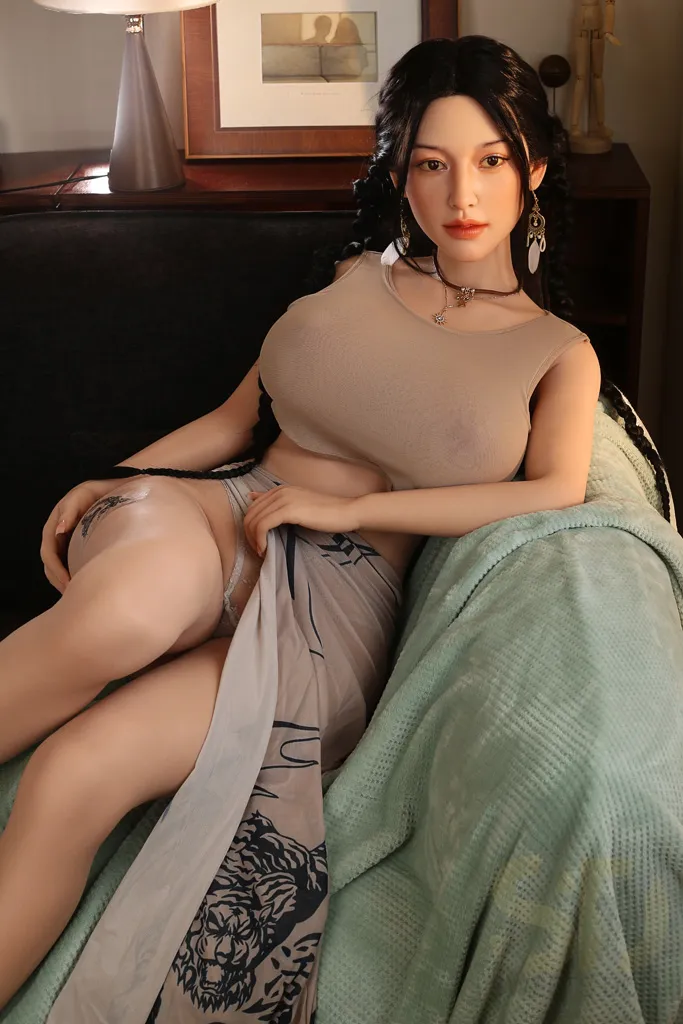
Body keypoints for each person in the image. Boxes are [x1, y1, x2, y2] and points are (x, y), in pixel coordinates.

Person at [0, 33, 672, 1023]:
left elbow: (546, 491)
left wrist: (353, 509)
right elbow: (235, 420)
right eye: (431, 165)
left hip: (335, 600)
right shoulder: (357, 275)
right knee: (120, 619)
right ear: (400, 175)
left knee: (72, 774)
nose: (461, 196)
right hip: (221, 511)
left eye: (490, 161)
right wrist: (123, 475)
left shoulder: (554, 351)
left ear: (531, 170)